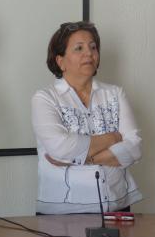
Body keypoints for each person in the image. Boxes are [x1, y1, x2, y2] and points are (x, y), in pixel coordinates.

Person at [32, 21, 142, 214]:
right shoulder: (45, 98)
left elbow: (135, 147)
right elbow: (60, 147)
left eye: (93, 47)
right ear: (60, 61)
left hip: (116, 207)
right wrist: (113, 138)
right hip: (62, 212)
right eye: (79, 48)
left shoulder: (115, 94)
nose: (89, 53)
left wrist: (84, 158)